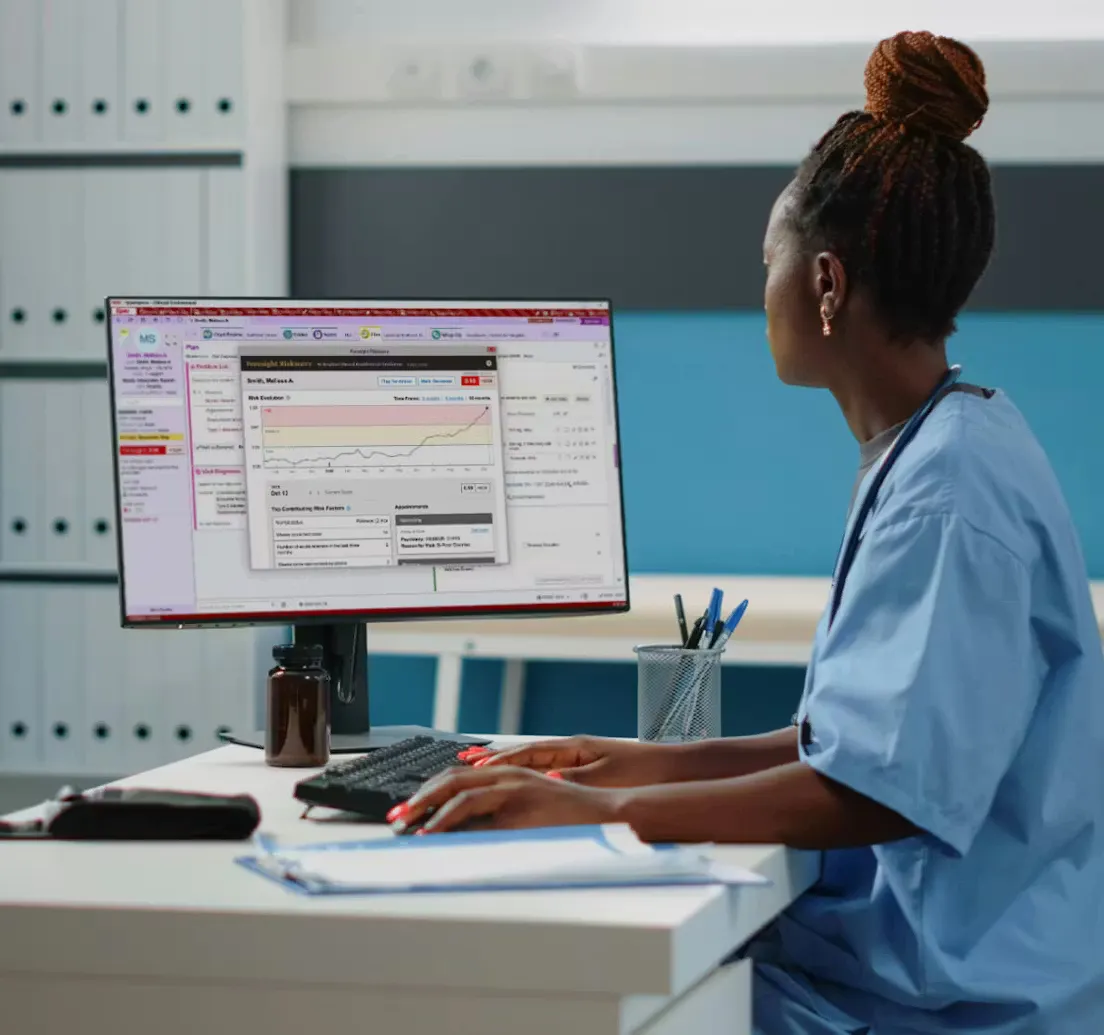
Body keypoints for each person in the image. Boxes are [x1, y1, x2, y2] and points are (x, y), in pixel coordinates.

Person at [389, 30, 1104, 1035]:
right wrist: (620, 760)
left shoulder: (948, 491)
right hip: (926, 964)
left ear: (825, 284)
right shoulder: (949, 439)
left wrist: (605, 817)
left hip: (949, 1001)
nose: (754, 281)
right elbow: (849, 749)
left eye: (767, 255)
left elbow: (874, 796)